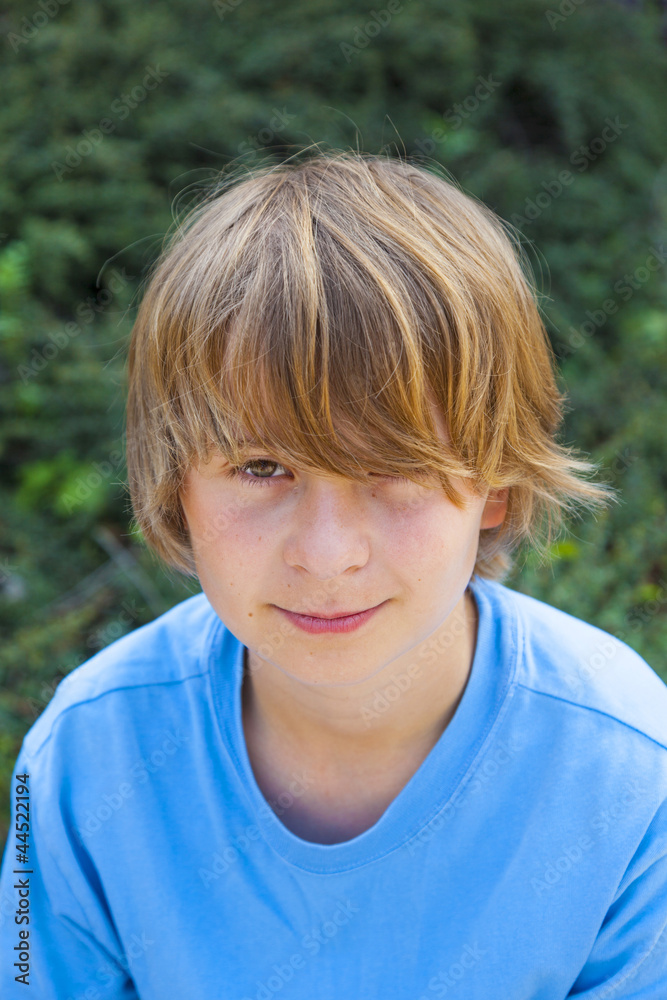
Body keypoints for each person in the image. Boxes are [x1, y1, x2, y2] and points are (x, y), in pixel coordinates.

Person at [1, 149, 666, 999]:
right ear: (175, 482)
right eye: (260, 467)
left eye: (395, 469)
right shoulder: (83, 757)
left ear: (494, 483)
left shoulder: (629, 772)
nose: (326, 553)